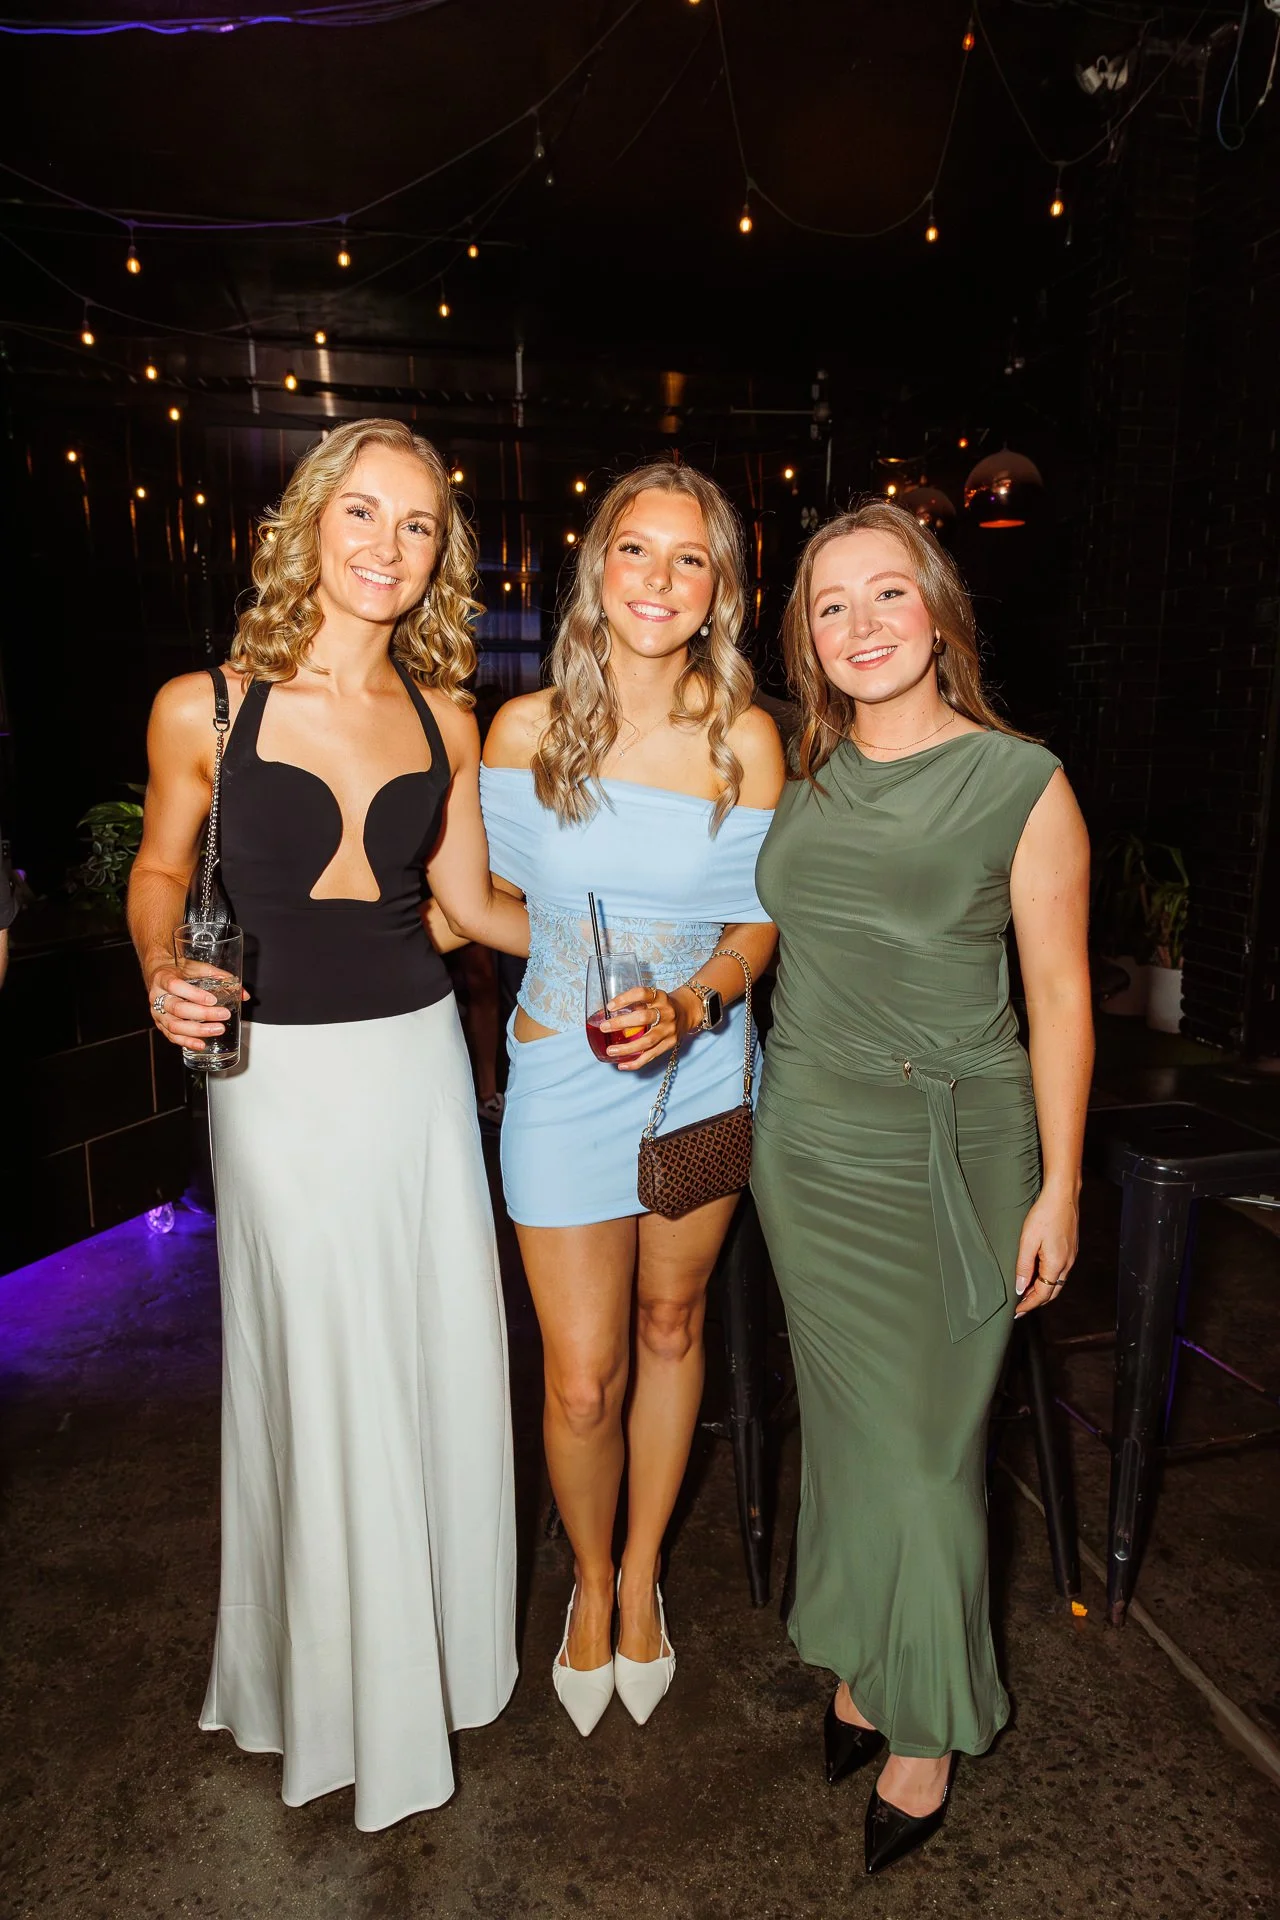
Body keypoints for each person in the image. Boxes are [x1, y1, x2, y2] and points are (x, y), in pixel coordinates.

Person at [127, 417, 529, 1831]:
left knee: (428, 1352)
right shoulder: (205, 708)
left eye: (417, 525)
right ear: (308, 523)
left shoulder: (447, 719)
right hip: (275, 1083)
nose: (386, 546)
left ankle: (430, 1668)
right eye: (362, 512)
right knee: (320, 1364)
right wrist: (160, 968)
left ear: (439, 557)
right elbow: (158, 869)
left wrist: (635, 944)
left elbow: (469, 910)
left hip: (418, 1068)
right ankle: (329, 1688)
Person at [751, 502, 1092, 1875]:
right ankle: (856, 1657)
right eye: (830, 605)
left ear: (940, 611)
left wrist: (1061, 1186)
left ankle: (930, 1723)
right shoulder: (802, 774)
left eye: (888, 593)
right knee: (846, 1435)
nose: (862, 624)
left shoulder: (1020, 782)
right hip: (805, 1147)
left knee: (926, 1455)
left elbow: (1059, 999)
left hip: (953, 1152)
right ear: (807, 639)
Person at [473, 462, 784, 1734]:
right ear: (595, 567)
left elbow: (758, 926)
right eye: (634, 549)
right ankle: (588, 1578)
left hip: (700, 1073)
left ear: (720, 589)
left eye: (688, 557)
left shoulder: (744, 739)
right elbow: (485, 904)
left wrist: (693, 1003)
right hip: (560, 1076)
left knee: (670, 1325)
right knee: (580, 1380)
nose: (658, 579)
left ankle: (644, 1571)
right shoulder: (522, 732)